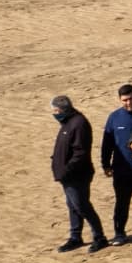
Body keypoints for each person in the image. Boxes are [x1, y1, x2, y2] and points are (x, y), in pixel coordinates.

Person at [49, 96, 108, 252]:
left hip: (77, 175)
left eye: (56, 111)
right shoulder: (67, 123)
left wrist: (66, 170)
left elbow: (80, 153)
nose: (54, 114)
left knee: (82, 206)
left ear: (64, 109)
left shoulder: (78, 123)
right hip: (67, 175)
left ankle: (99, 237)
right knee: (72, 206)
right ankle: (75, 237)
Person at [101, 84, 132, 242]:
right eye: (124, 100)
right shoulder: (114, 117)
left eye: (131, 98)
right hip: (122, 169)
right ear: (120, 100)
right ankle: (119, 233)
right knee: (122, 203)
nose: (128, 102)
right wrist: (106, 164)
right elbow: (107, 142)